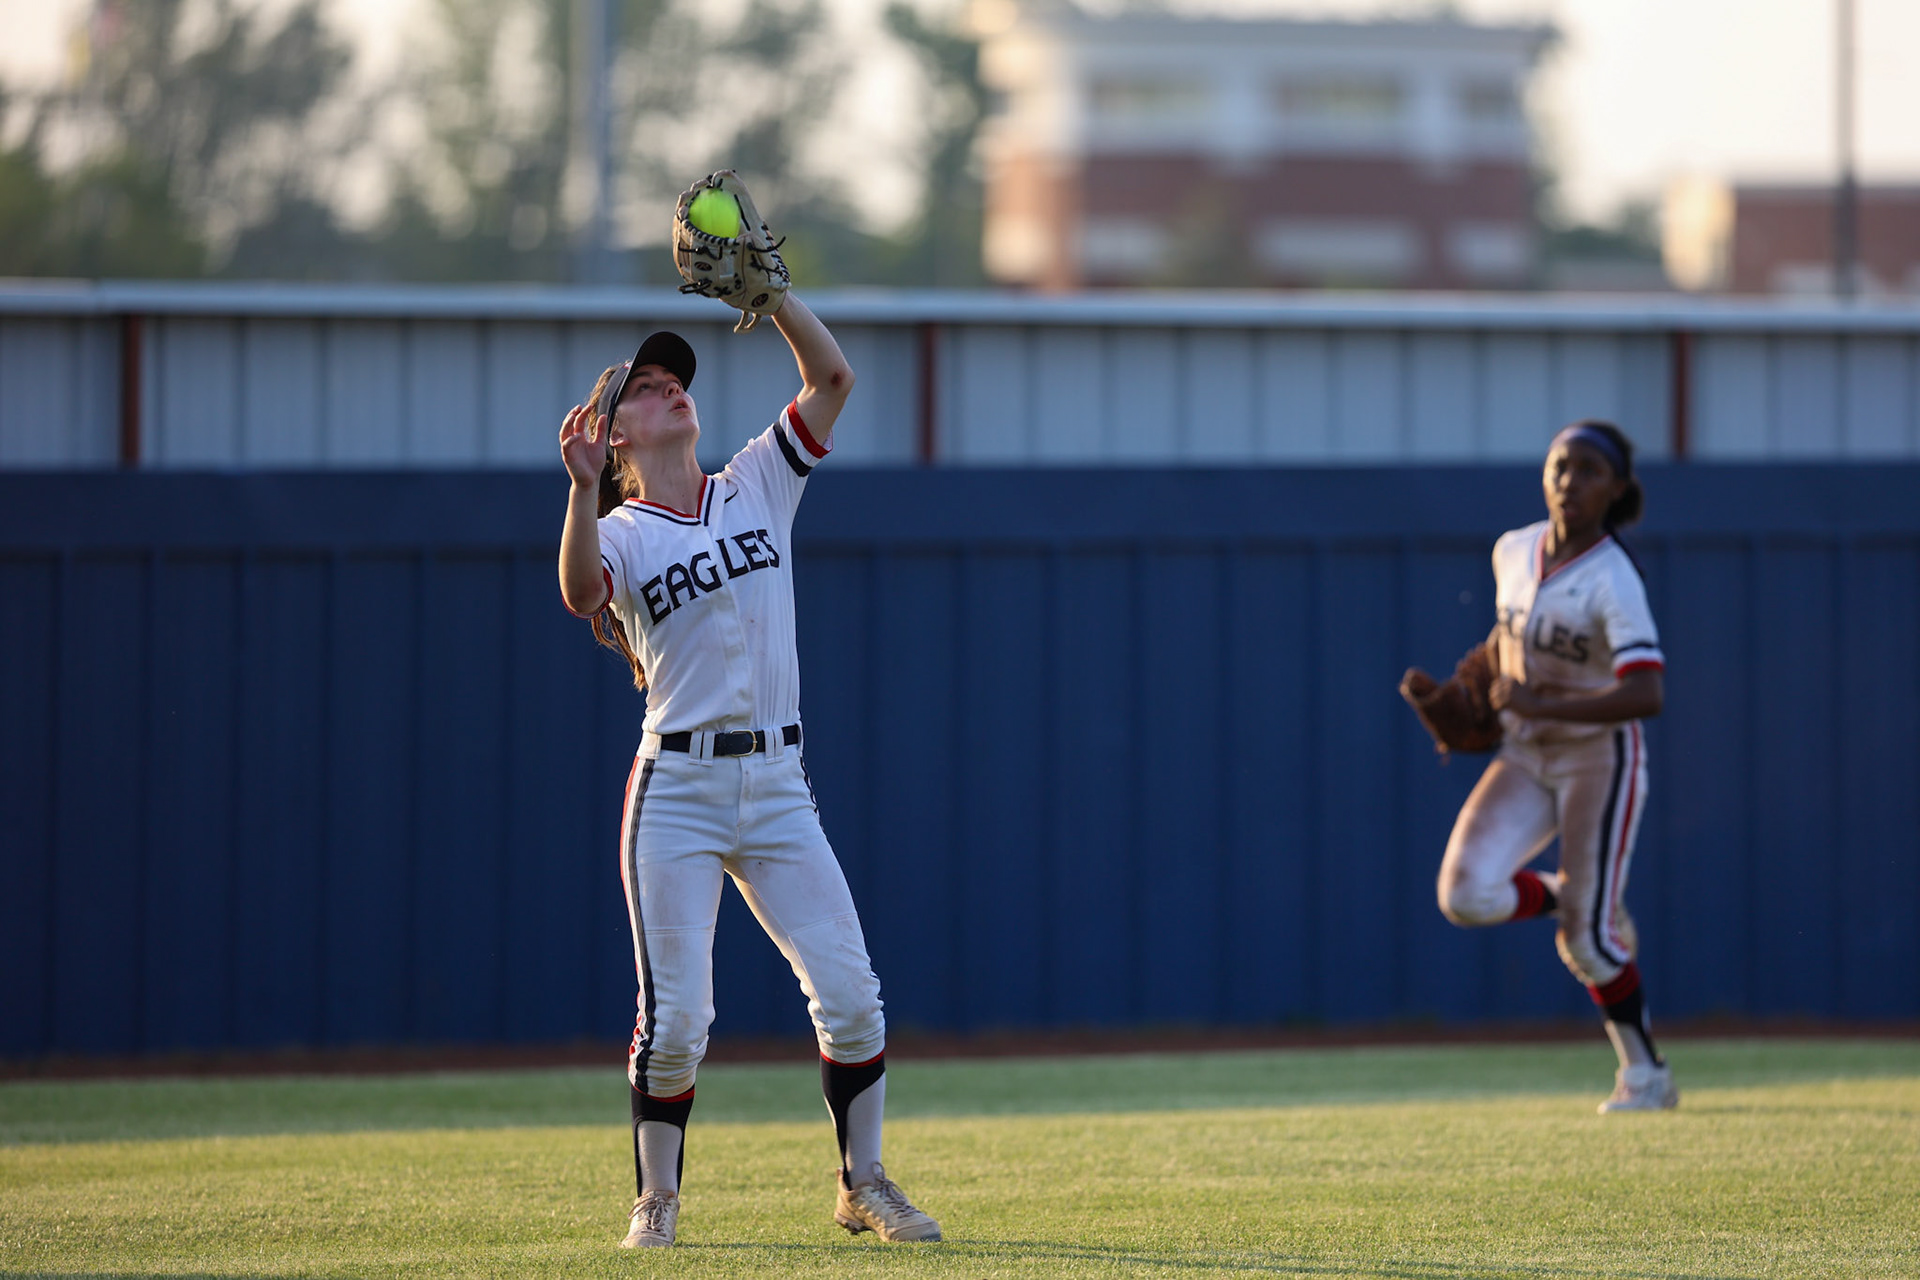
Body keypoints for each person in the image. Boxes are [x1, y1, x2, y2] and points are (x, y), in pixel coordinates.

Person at [556, 295, 942, 1246]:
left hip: (776, 783)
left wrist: (772, 300)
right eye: (644, 391)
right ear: (614, 442)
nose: (671, 391)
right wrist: (577, 489)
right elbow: (578, 592)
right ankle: (657, 1199)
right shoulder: (621, 531)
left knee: (852, 996)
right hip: (677, 790)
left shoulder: (757, 483)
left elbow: (833, 379)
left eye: (675, 379)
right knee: (681, 1016)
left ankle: (864, 1185)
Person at [1432, 420, 1676, 1113]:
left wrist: (1539, 697)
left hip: (1601, 758)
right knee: (1466, 895)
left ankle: (1646, 1075)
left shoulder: (1613, 576)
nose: (1571, 482)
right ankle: (1579, 901)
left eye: (1590, 470)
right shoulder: (1512, 549)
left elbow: (1648, 692)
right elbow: (1508, 638)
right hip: (1525, 750)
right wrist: (1479, 679)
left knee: (1590, 946)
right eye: (1560, 466)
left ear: (1617, 489)